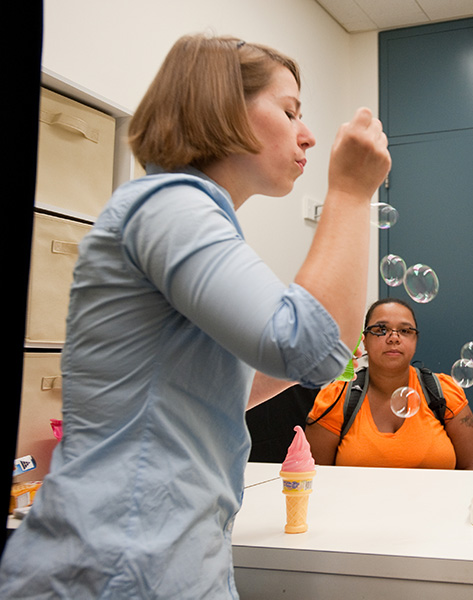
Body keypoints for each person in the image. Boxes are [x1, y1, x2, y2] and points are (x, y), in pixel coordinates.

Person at [0, 34, 391, 598]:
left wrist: (316, 349)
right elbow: (311, 347)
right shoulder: (168, 204)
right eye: (289, 111)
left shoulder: (187, 215)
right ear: (223, 109)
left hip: (165, 556)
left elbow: (211, 386)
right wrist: (351, 191)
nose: (305, 134)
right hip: (121, 563)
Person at [305, 298, 473, 469]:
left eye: (405, 331)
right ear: (364, 341)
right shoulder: (335, 397)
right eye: (380, 329)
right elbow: (315, 479)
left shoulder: (444, 392)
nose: (393, 338)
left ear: (415, 341)